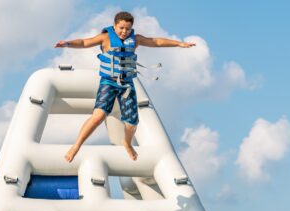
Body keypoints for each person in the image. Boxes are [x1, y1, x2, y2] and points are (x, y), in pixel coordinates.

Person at [55, 11, 195, 163]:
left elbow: (156, 42)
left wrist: (179, 44)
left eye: (128, 29)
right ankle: (76, 146)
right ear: (115, 26)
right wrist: (68, 44)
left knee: (131, 123)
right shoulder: (106, 38)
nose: (124, 32)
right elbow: (84, 42)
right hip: (108, 82)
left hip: (126, 84)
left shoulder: (135, 40)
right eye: (121, 28)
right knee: (98, 116)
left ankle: (127, 143)